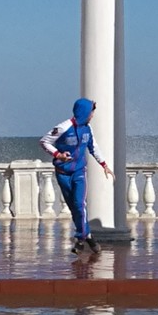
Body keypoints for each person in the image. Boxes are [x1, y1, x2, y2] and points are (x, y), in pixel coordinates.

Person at [40, 97, 111, 252]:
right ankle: (89, 237)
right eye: (91, 112)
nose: (92, 115)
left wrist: (104, 164)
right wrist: (58, 154)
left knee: (80, 205)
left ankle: (80, 239)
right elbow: (44, 141)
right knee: (74, 208)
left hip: (79, 172)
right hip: (62, 173)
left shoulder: (87, 128)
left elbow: (93, 147)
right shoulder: (64, 127)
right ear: (84, 112)